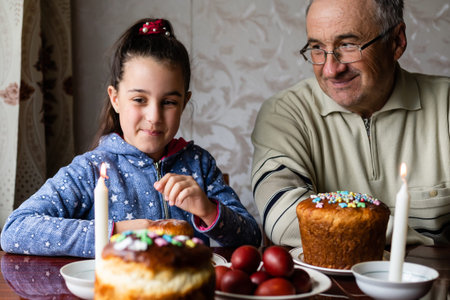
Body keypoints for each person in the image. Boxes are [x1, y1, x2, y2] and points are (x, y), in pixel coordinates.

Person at [1, 18, 261, 257]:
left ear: (185, 103)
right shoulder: (90, 170)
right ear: (115, 98)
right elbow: (15, 229)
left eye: (169, 102)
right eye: (139, 99)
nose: (154, 116)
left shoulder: (199, 165)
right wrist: (115, 232)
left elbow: (251, 237)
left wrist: (208, 209)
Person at [251, 0, 449, 247]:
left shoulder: (446, 105)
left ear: (396, 41)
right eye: (317, 48)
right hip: (331, 286)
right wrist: (429, 247)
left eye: (348, 45)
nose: (331, 69)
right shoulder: (285, 113)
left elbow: (305, 221)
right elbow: (284, 219)